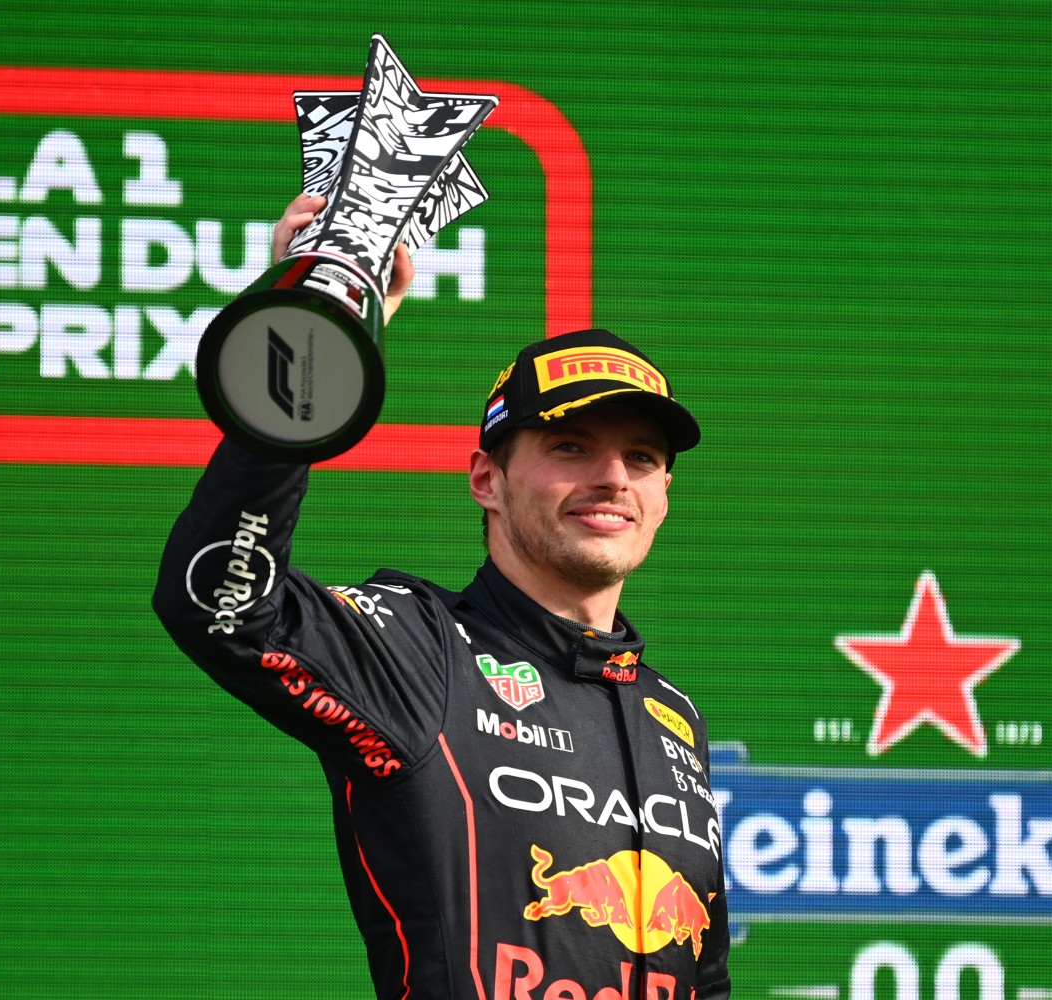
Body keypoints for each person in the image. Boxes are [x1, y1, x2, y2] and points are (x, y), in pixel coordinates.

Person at [153, 194, 731, 1000]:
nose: (611, 478)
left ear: (664, 491)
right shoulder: (421, 649)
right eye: (570, 446)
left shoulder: (674, 714)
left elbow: (703, 975)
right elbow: (220, 602)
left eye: (640, 457)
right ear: (486, 480)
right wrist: (305, 336)